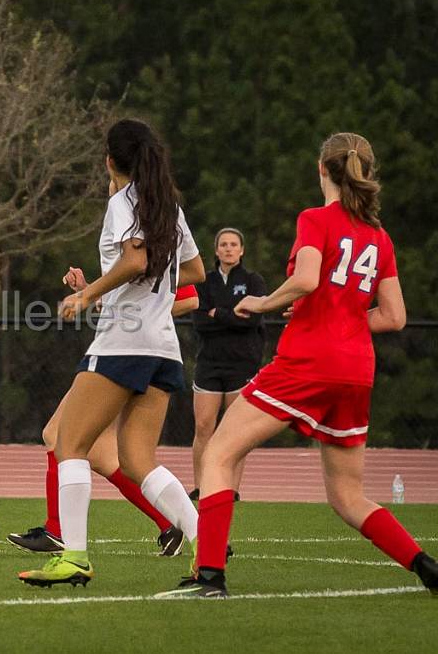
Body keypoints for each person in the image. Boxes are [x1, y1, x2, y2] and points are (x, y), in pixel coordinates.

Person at [157, 132, 437, 598]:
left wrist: (264, 302)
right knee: (348, 496)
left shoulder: (315, 218)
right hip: (356, 370)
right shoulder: (379, 236)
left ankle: (209, 577)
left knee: (219, 454)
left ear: (321, 168)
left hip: (308, 361)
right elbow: (394, 317)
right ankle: (426, 565)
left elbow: (306, 279)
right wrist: (338, 314)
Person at [18, 118, 206, 588]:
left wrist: (89, 295)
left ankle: (74, 557)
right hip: (164, 346)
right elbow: (197, 271)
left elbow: (136, 259)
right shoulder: (169, 208)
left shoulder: (124, 201)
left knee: (69, 443)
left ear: (109, 161)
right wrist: (129, 293)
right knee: (138, 459)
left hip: (124, 342)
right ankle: (207, 544)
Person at [7, 280, 198, 557]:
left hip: (129, 351)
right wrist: (92, 290)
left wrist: (97, 298)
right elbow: (131, 292)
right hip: (126, 347)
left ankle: (57, 531)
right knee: (102, 455)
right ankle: (170, 523)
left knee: (59, 435)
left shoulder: (145, 240)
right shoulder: (131, 247)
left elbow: (190, 299)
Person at [189, 228, 266, 499]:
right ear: (216, 250)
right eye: (223, 244)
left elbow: (253, 321)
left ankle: (230, 489)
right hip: (209, 363)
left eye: (234, 244)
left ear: (242, 250)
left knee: (235, 431)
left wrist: (217, 314)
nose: (229, 249)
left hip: (242, 365)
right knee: (203, 427)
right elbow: (199, 321)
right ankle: (201, 486)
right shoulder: (204, 281)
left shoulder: (253, 281)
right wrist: (232, 315)